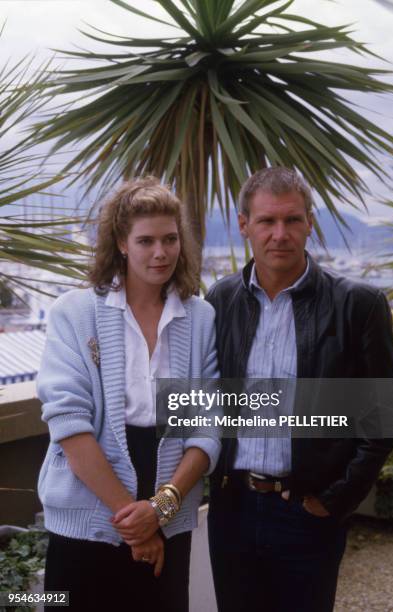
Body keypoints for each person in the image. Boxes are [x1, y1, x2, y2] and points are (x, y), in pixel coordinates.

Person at [205, 167, 393, 612]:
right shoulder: (221, 300)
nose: (280, 234)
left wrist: (335, 501)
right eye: (267, 221)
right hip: (231, 511)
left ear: (310, 222)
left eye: (293, 220)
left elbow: (383, 416)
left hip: (307, 512)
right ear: (243, 225)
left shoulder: (359, 304)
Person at [37, 177, 220, 612]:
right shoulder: (76, 313)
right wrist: (136, 524)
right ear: (121, 242)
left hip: (168, 514)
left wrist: (159, 510)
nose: (161, 252)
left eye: (171, 239)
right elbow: (69, 424)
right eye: (146, 240)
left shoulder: (199, 318)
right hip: (86, 515)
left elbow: (204, 427)